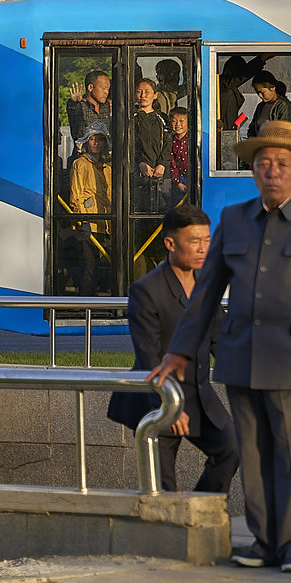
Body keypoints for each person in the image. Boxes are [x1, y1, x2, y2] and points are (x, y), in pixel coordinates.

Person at [151, 119, 291, 573]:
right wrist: (179, 351)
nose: (272, 171)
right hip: (241, 358)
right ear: (254, 171)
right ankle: (264, 542)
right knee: (255, 457)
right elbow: (204, 295)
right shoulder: (234, 219)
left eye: (282, 163)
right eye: (263, 164)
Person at [109, 206, 238, 494]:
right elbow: (148, 356)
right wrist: (168, 408)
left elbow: (224, 342)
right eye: (194, 241)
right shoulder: (145, 291)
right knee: (162, 489)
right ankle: (171, 531)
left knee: (232, 448)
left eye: (207, 240)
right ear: (170, 243)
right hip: (157, 398)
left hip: (199, 396)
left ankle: (201, 508)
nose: (203, 248)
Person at [68, 121, 113, 294]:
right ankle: (85, 308)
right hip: (88, 225)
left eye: (100, 139)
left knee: (107, 269)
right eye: (92, 139)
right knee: (89, 268)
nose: (96, 143)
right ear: (86, 141)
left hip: (106, 224)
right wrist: (83, 221)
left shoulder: (107, 169)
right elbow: (76, 196)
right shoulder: (80, 164)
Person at [132, 78, 168, 214]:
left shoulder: (163, 118)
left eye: (147, 92)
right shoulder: (131, 118)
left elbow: (167, 144)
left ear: (155, 95)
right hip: (138, 174)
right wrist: (140, 163)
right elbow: (130, 145)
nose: (143, 96)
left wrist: (162, 164)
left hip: (161, 174)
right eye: (139, 92)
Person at [67, 69, 113, 141]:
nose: (106, 92)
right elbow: (73, 111)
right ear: (90, 87)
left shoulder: (105, 107)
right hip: (84, 151)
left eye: (108, 89)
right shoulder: (81, 106)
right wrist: (74, 102)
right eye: (104, 88)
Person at [248, 71, 291, 138]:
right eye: (257, 92)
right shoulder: (260, 106)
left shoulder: (284, 106)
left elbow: (284, 132)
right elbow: (252, 128)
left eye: (262, 92)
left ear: (272, 88)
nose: (260, 95)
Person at [167, 107, 194, 205]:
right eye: (174, 121)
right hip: (179, 178)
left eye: (182, 121)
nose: (178, 124)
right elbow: (172, 164)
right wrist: (177, 182)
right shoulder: (170, 141)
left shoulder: (193, 139)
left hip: (193, 177)